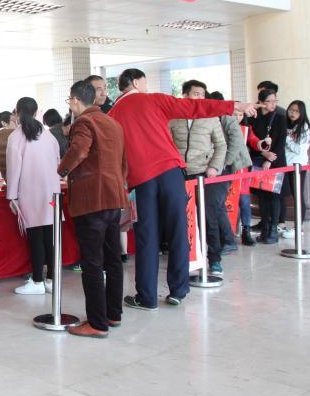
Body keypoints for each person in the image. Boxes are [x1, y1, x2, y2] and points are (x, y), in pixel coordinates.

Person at [109, 68, 255, 311]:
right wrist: (234, 105)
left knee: (147, 236)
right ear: (135, 82)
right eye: (144, 82)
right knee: (178, 229)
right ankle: (178, 290)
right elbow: (194, 107)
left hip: (141, 179)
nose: (146, 86)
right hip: (171, 173)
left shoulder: (113, 113)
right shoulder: (153, 99)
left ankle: (147, 297)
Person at [58, 81, 128, 338]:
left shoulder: (84, 123)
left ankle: (97, 324)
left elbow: (79, 150)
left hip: (91, 200)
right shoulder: (112, 122)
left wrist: (62, 170)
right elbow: (123, 162)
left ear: (75, 100)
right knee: (113, 258)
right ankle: (113, 314)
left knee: (92, 262)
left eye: (70, 101)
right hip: (114, 196)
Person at [168, 80, 228, 276]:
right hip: (180, 173)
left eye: (202, 94)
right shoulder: (174, 117)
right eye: (195, 94)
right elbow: (167, 143)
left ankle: (214, 258)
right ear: (185, 95)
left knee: (208, 216)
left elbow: (221, 145)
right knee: (182, 217)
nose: (200, 97)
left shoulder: (211, 117)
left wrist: (214, 167)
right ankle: (186, 258)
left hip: (204, 173)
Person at [6, 97, 61, 295]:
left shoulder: (16, 137)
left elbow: (13, 169)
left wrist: (12, 195)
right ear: (37, 112)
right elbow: (58, 161)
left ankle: (37, 281)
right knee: (51, 237)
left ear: (17, 113)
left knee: (36, 238)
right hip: (51, 192)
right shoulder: (48, 135)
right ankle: (51, 280)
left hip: (29, 192)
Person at [209, 91, 253, 252]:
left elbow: (236, 142)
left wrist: (224, 163)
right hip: (219, 165)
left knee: (217, 203)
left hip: (227, 165)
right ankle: (226, 240)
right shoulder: (213, 117)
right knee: (218, 203)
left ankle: (228, 240)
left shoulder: (227, 117)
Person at [247, 88, 287, 245]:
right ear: (261, 102)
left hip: (276, 161)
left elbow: (281, 143)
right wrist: (264, 154)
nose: (272, 104)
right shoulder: (254, 117)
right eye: (269, 101)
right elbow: (249, 139)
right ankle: (265, 226)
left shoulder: (280, 117)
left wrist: (270, 160)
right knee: (262, 196)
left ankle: (273, 230)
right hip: (259, 160)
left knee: (274, 196)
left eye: (274, 101)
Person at [281, 100, 310, 237]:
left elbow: (298, 149)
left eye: (296, 111)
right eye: (291, 110)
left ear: (302, 113)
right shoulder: (285, 124)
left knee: (297, 196)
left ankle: (299, 227)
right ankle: (281, 224)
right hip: (285, 165)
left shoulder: (304, 128)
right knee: (282, 195)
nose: (293, 113)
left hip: (298, 166)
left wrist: (287, 138)